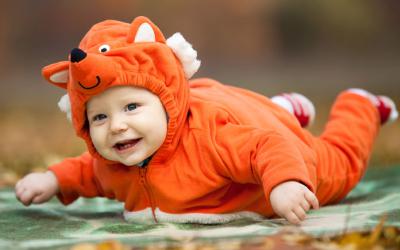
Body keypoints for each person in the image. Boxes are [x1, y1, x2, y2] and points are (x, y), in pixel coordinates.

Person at [15, 16, 398, 225]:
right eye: (98, 116)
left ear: (167, 104)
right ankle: (283, 110)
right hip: (232, 110)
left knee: (339, 166)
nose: (116, 125)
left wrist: (285, 183)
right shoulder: (111, 160)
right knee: (256, 117)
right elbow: (87, 172)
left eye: (131, 107)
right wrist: (52, 179)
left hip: (259, 145)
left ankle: (358, 105)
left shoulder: (209, 141)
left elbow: (267, 146)